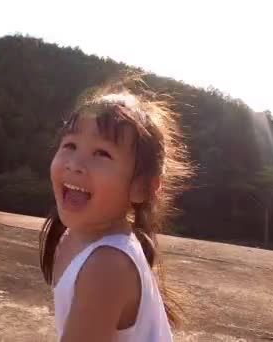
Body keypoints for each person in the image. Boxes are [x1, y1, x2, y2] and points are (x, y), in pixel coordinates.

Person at [39, 85, 192, 341]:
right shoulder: (72, 238)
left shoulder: (106, 266)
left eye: (102, 153)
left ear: (142, 188)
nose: (75, 164)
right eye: (70, 145)